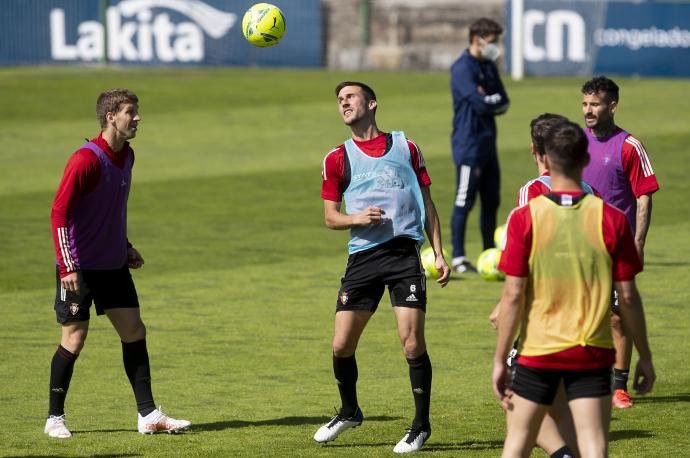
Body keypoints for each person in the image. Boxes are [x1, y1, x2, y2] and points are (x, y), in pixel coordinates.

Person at [492, 120, 655, 458]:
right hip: (592, 351)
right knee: (593, 445)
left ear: (545, 161)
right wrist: (645, 356)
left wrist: (500, 359)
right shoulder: (611, 218)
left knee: (517, 440)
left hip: (539, 349)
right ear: (585, 161)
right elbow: (627, 297)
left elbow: (513, 294)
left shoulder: (526, 217)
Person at [46, 89, 190, 438]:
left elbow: (106, 210)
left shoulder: (127, 156)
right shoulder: (85, 159)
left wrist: (125, 247)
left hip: (113, 265)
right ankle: (55, 418)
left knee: (134, 330)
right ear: (111, 116)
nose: (137, 118)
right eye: (131, 112)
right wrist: (67, 267)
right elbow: (60, 211)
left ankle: (148, 414)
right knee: (74, 339)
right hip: (79, 268)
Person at [314, 81, 450, 454]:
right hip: (362, 258)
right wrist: (356, 218)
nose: (343, 102)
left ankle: (420, 425)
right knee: (341, 345)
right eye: (339, 99)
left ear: (371, 103)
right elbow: (329, 217)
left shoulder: (407, 147)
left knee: (411, 345)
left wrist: (438, 253)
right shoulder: (336, 158)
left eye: (350, 97)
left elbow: (427, 202)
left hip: (404, 256)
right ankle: (349, 411)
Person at [581, 76, 660, 409]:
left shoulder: (629, 146)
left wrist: (638, 242)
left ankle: (619, 385)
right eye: (584, 103)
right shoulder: (575, 142)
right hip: (579, 246)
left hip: (617, 247)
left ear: (612, 106)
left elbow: (644, 197)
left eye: (595, 104)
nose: (588, 110)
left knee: (616, 315)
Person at [449, 17, 510, 273]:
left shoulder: (489, 66)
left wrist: (490, 100)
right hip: (468, 144)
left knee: (491, 200)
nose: (497, 47)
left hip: (488, 144)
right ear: (478, 40)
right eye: (494, 42)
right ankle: (459, 256)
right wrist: (489, 101)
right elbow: (480, 103)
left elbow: (503, 102)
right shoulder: (462, 68)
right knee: (465, 199)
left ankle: (488, 253)